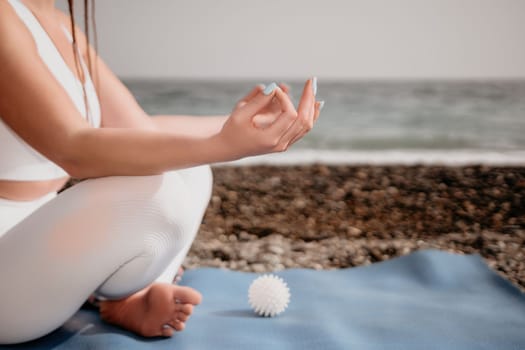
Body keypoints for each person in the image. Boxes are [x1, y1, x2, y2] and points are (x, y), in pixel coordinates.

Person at [0, 0, 322, 344]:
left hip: (39, 244)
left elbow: (140, 132)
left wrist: (246, 128)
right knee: (158, 195)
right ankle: (127, 292)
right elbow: (74, 149)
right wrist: (226, 145)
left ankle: (127, 296)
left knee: (190, 172)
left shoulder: (63, 25)